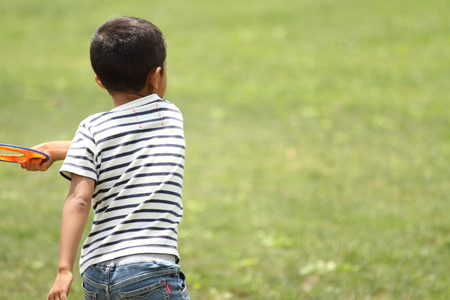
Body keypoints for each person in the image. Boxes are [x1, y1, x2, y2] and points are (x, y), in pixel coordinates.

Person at [22, 16, 190, 300]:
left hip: (96, 275)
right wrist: (63, 150)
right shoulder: (169, 115)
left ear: (99, 81)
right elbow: (126, 139)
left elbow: (79, 199)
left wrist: (64, 269)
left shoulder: (92, 129)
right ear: (156, 75)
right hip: (149, 269)